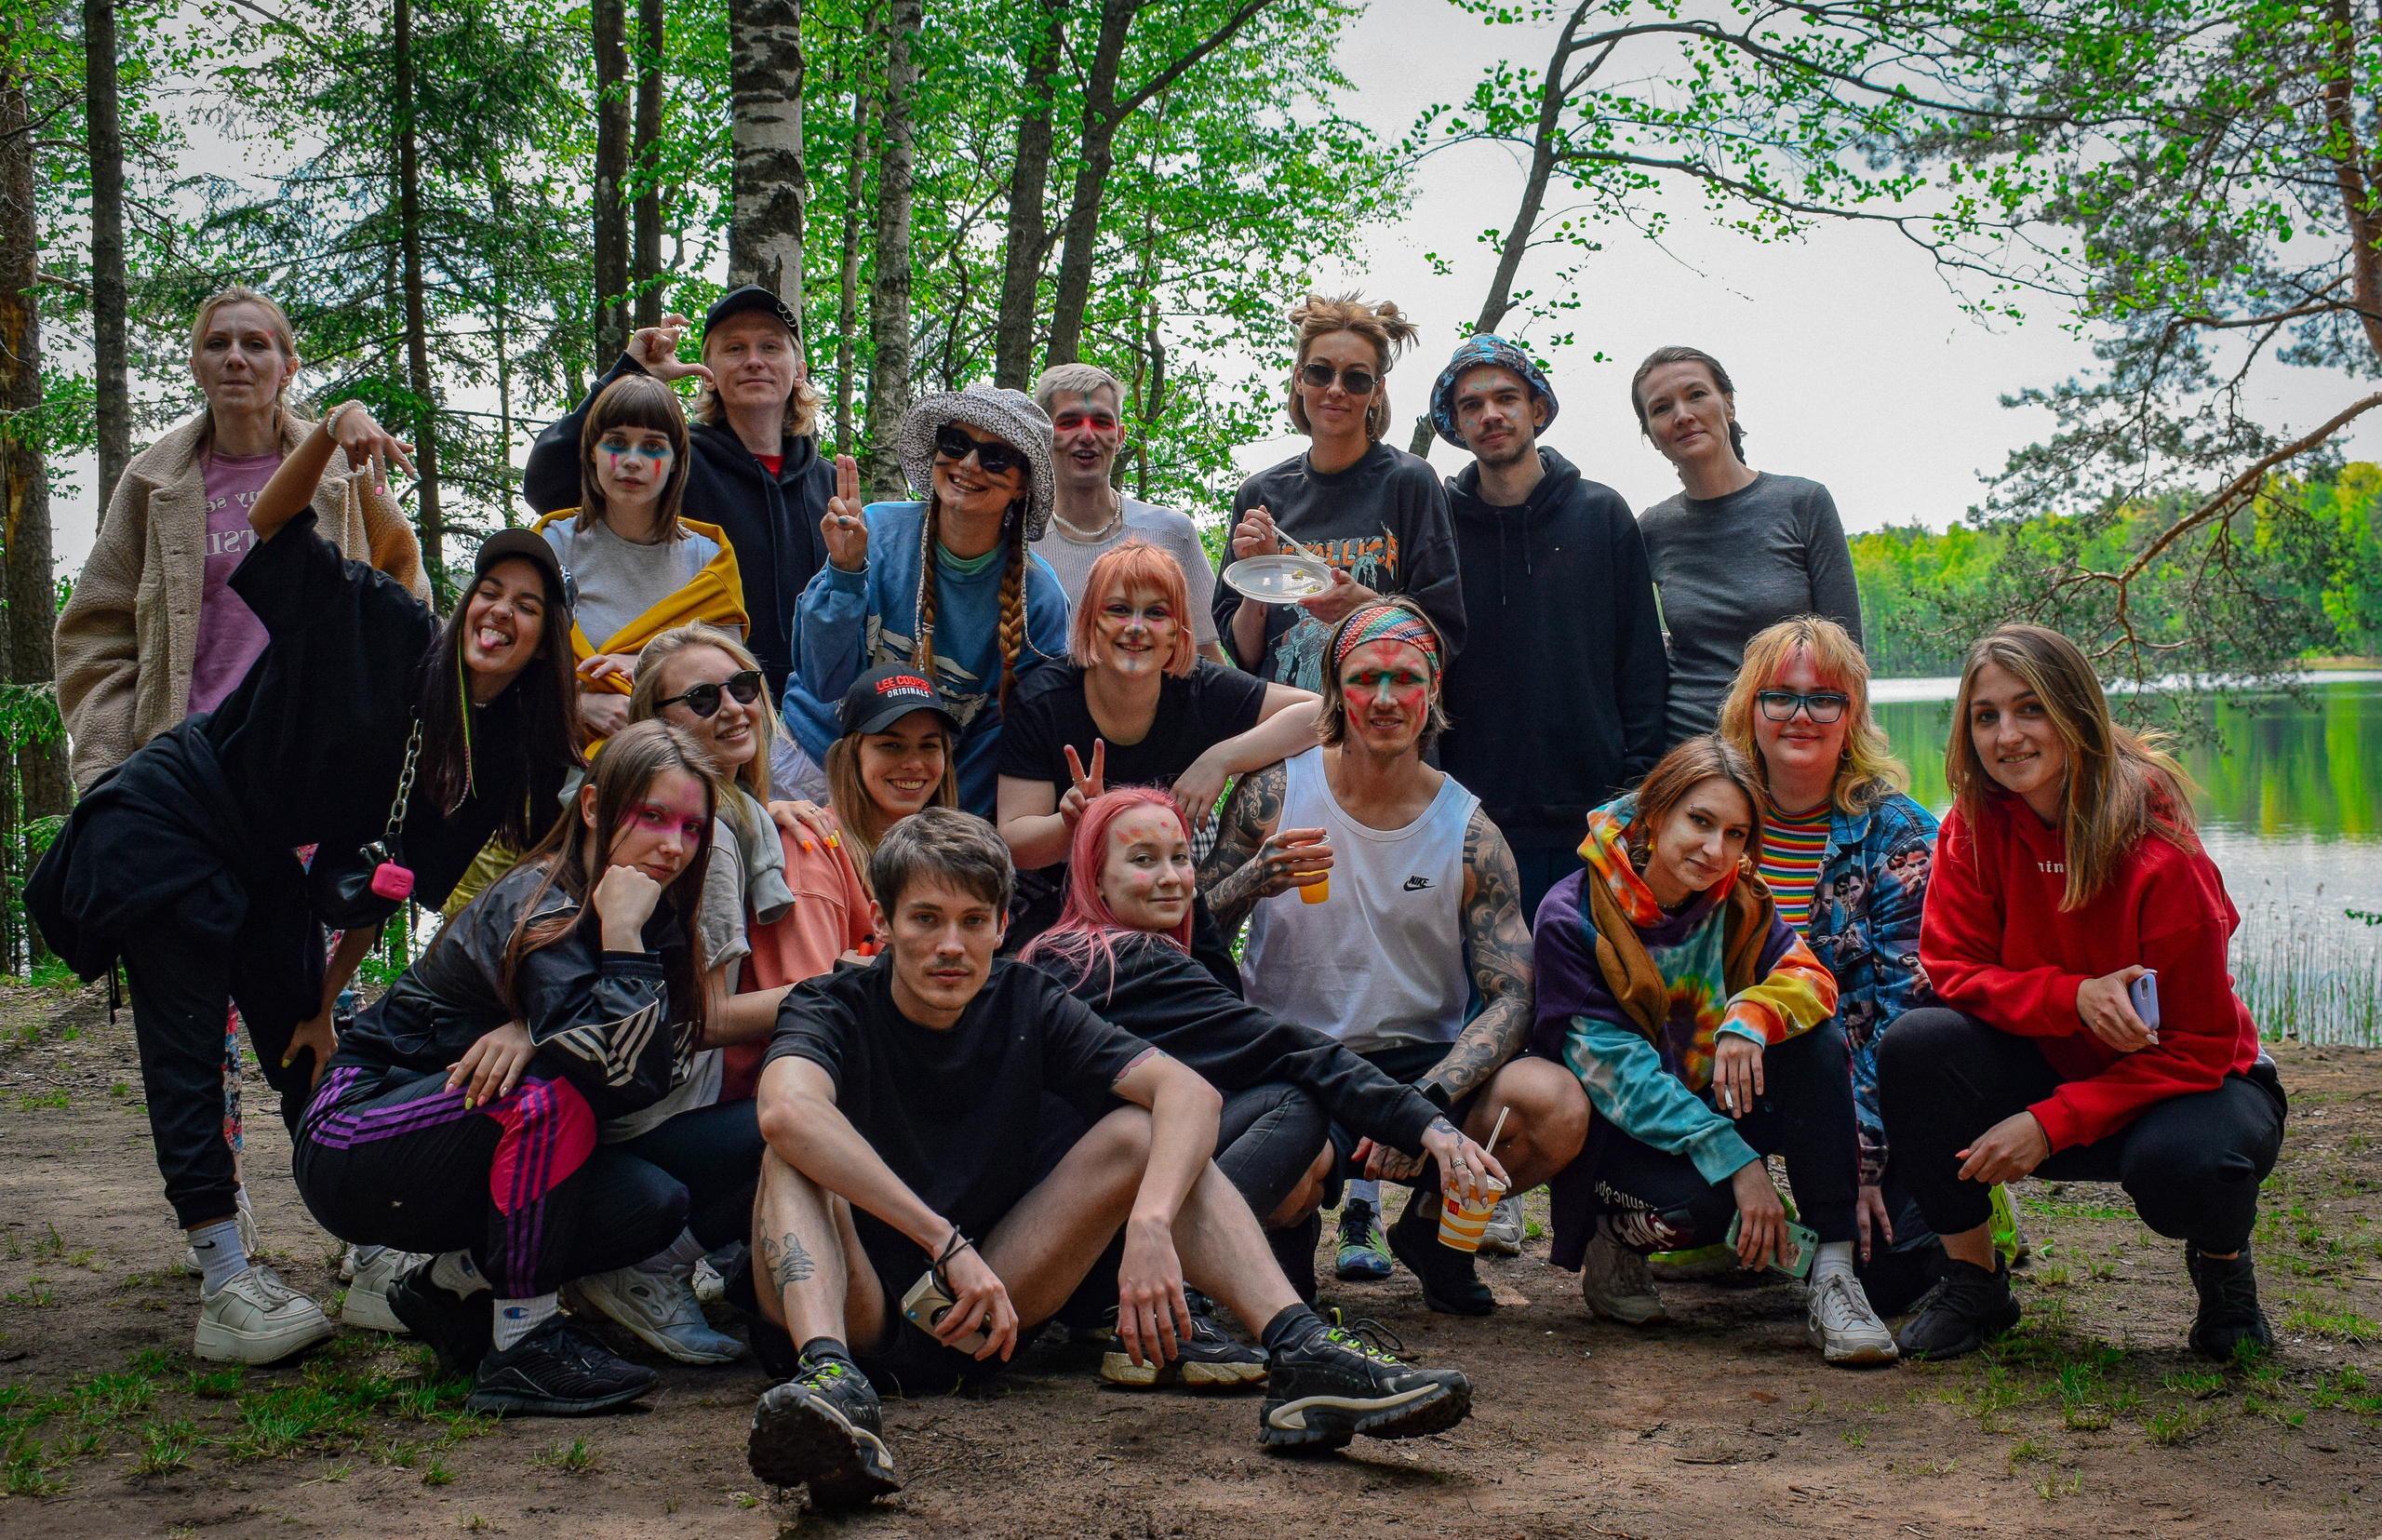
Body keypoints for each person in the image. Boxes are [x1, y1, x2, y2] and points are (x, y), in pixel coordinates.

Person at [30, 412, 581, 1366]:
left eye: (526, 605)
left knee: (305, 1042)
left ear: (544, 640)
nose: (499, 611)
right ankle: (225, 1274)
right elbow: (277, 523)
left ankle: (368, 1254)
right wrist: (327, 434)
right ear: (465, 602)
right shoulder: (381, 620)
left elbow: (380, 887)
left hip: (260, 855)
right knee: (191, 1045)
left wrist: (326, 1002)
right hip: (174, 814)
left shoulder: (489, 755)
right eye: (488, 589)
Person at [737, 809, 1476, 1507]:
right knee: (792, 1153)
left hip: (984, 1309)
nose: (950, 946)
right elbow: (786, 1109)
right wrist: (941, 1239)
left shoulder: (1026, 995)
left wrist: (1150, 1225)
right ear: (883, 922)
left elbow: (1188, 1093)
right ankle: (830, 1383)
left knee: (1144, 1131)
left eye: (971, 921)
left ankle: (1302, 1353)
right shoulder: (833, 1003)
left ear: (1001, 924)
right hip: (852, 1302)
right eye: (926, 919)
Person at [51, 286, 432, 1287]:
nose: (236, 358)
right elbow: (92, 629)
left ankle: (356, 1210)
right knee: (185, 1015)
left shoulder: (341, 476)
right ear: (195, 362)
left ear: (287, 364)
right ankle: (220, 1233)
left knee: (299, 1006)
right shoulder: (156, 480)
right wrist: (115, 764)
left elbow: (401, 589)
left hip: (297, 793)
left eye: (257, 343)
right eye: (216, 342)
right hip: (183, 785)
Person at [1880, 624, 2286, 1362]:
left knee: (2190, 1168)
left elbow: (2199, 1046)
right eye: (1986, 715)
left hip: (2189, 1081)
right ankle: (1974, 1282)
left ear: (2074, 710)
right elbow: (1952, 966)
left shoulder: (2158, 846)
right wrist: (2072, 999)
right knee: (1915, 1050)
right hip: (2053, 1056)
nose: (2007, 735)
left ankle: (2225, 1274)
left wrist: (2049, 1121)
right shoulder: (1973, 825)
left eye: (2029, 708)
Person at [292, 722, 722, 1415]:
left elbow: (651, 1075)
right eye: (652, 816)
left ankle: (452, 1290)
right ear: (592, 807)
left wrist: (544, 1027)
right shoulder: (538, 901)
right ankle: (524, 1342)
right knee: (546, 1099)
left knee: (653, 1203)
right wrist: (608, 953)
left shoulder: (650, 916)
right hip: (353, 1134)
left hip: (467, 1135)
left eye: (693, 828)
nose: (674, 845)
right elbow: (614, 1069)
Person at [1198, 598, 1587, 1315]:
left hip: (1420, 1060)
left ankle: (1436, 1237)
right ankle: (1286, 1252)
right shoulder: (1274, 794)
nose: (1384, 699)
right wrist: (1253, 880)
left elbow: (1513, 994)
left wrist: (1428, 1103)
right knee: (1286, 1168)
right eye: (1365, 678)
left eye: (1405, 678)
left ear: (1432, 691)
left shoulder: (1468, 830)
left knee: (1553, 1104)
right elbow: (1192, 944)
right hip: (1298, 1058)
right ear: (1334, 691)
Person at [1023, 786, 1507, 1326]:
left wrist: (1191, 905)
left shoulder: (1063, 950)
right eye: (1143, 861)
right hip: (1093, 1260)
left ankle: (1241, 1272)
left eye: (1181, 858)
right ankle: (1178, 1292)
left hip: (1053, 1233)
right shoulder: (1131, 963)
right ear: (1094, 880)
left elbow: (1223, 1012)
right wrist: (1429, 1126)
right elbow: (1282, 1047)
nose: (1169, 877)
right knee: (1290, 1103)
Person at [542, 625, 869, 1366]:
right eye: (701, 697)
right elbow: (711, 1017)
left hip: (616, 1112)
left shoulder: (717, 817)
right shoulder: (708, 837)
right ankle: (642, 1267)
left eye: (744, 687)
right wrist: (843, 989)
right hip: (637, 1122)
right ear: (653, 724)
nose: (734, 708)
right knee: (812, 1118)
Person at [1531, 736, 1899, 1365]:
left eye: (1735, 833)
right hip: (1620, 1130)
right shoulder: (1575, 914)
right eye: (1700, 822)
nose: (1715, 850)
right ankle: (1612, 1238)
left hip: (1714, 1101)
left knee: (1815, 1043)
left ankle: (1834, 1273)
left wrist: (1750, 1014)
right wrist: (1738, 1160)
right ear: (1654, 814)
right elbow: (1619, 1076)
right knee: (1705, 1209)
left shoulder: (1739, 897)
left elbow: (1812, 980)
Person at [1711, 615, 1946, 1313]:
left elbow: (1907, 1011)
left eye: (1826, 699)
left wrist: (1863, 1164)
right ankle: (1717, 1214)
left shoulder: (1899, 832)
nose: (1801, 715)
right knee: (1674, 1206)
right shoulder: (1709, 812)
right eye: (1780, 695)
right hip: (1729, 1072)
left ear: (1853, 716)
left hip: (1859, 1089)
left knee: (1895, 1276)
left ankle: (1943, 1204)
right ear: (1748, 707)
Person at [997, 539, 1318, 977]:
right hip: (1060, 906)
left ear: (1177, 635)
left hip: (1165, 903)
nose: (1136, 627)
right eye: (1118, 610)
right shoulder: (1044, 702)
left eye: (1156, 613)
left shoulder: (1199, 688)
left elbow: (1321, 714)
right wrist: (1072, 823)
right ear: (1090, 624)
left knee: (1214, 995)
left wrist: (1221, 759)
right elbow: (1014, 842)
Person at [1426, 334, 1667, 921]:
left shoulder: (1601, 513)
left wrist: (1636, 792)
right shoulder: (1441, 525)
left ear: (1537, 409)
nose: (1490, 415)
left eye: (1506, 397)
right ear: (1456, 425)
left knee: (1586, 998)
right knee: (1488, 1001)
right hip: (1470, 816)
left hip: (1593, 817)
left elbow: (1640, 663)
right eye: (1470, 405)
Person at [525, 287, 833, 707]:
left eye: (770, 346)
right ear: (708, 370)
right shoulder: (671, 462)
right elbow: (548, 483)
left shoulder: (829, 484)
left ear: (798, 369)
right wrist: (629, 372)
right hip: (706, 713)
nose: (753, 360)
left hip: (811, 717)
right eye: (734, 348)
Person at [779, 387, 1069, 813]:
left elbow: (1005, 741)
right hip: (813, 760)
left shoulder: (1039, 601)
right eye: (956, 443)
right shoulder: (873, 530)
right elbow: (823, 682)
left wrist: (935, 820)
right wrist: (844, 574)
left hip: (924, 795)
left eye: (995, 457)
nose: (969, 464)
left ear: (1022, 484)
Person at [1215, 294, 1465, 691]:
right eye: (1319, 372)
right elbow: (1246, 657)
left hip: (1383, 728)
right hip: (1284, 736)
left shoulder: (1410, 483)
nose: (1335, 389)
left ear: (1376, 391)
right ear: (1299, 379)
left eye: (1356, 378)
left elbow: (1443, 635)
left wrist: (1366, 607)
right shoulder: (1260, 494)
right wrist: (1259, 579)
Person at [1630, 346, 1862, 743]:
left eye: (1696, 394)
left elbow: (1847, 654)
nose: (1683, 414)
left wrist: (1849, 753)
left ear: (1729, 405)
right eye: (1662, 408)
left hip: (1793, 746)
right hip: (1689, 753)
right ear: (1651, 435)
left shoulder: (1803, 504)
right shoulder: (1651, 528)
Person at [535, 372, 746, 743]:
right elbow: (519, 664)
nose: (633, 461)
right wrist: (580, 706)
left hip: (688, 765)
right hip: (564, 763)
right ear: (590, 452)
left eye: (652, 446)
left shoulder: (709, 557)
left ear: (677, 461)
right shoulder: (554, 545)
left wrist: (647, 666)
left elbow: (728, 681)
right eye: (616, 442)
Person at [1024, 362, 1228, 664]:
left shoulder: (1172, 532)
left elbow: (1203, 656)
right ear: (1042, 435)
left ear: (1119, 437)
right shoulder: (1019, 543)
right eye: (1069, 422)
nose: (1087, 434)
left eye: (1102, 422)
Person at [823, 662, 964, 891]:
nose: (914, 764)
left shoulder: (962, 856)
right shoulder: (819, 846)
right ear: (851, 755)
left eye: (929, 746)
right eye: (891, 745)